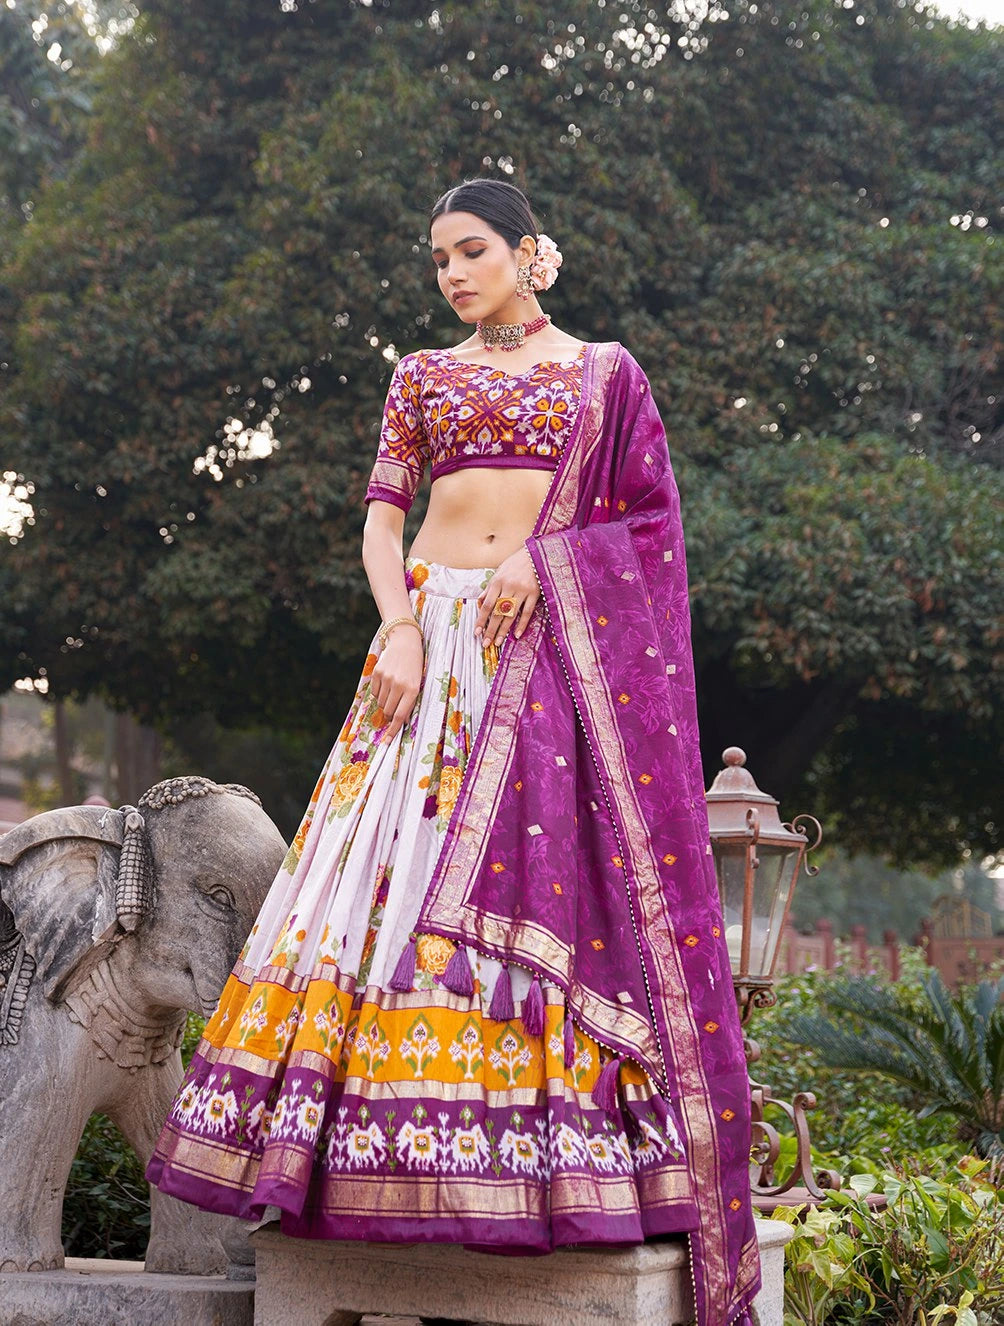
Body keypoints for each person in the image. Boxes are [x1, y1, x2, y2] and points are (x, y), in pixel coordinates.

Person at [147, 178, 761, 1326]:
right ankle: (357, 1169)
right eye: (437, 259)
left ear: (533, 255)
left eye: (471, 251)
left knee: (531, 895)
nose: (452, 273)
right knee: (372, 882)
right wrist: (398, 628)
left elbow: (646, 524)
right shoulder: (419, 376)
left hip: (538, 656)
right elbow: (384, 515)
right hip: (425, 650)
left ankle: (533, 1177)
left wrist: (550, 556)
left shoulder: (603, 378)